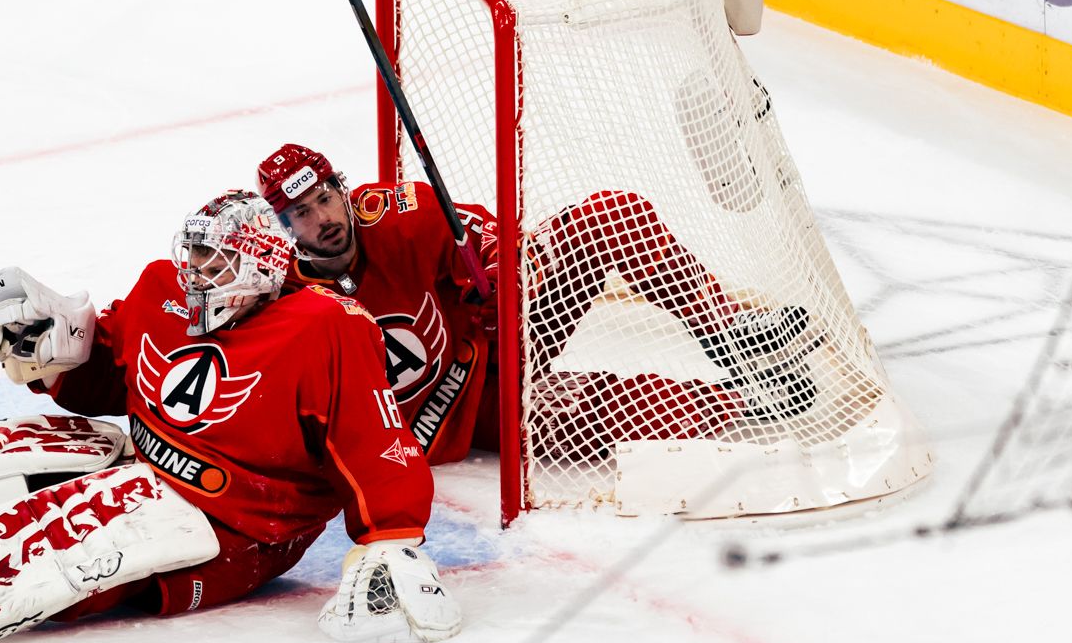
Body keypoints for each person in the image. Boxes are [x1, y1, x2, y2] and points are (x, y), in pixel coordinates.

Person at [0, 189, 461, 643]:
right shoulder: (162, 287)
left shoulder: (326, 327)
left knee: (111, 509)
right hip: (144, 457)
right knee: (10, 443)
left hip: (242, 522)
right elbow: (109, 371)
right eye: (193, 258)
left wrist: (391, 541)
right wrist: (50, 354)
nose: (195, 276)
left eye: (214, 264)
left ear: (260, 267)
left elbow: (376, 443)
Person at [255, 144, 816, 464]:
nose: (323, 219)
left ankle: (728, 332)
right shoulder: (286, 297)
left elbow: (488, 235)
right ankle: (746, 399)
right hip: (461, 415)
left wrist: (505, 270)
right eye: (302, 213)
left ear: (342, 189)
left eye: (325, 198)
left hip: (501, 337)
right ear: (284, 226)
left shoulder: (397, 212)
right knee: (595, 412)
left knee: (613, 215)